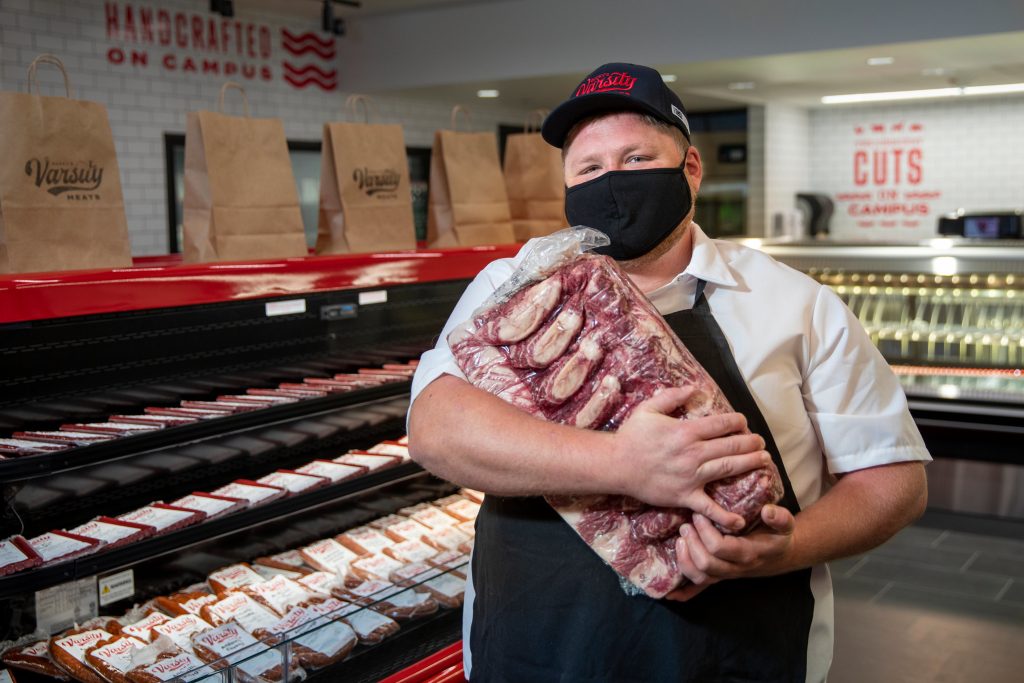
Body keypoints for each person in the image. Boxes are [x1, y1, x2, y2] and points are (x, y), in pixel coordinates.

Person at [407, 62, 930, 682]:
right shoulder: (513, 285)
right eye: (590, 169)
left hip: (739, 651)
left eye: (635, 159)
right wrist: (628, 466)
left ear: (690, 168)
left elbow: (893, 482)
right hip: (540, 645)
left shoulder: (797, 305)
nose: (613, 183)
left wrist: (785, 549)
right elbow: (435, 430)